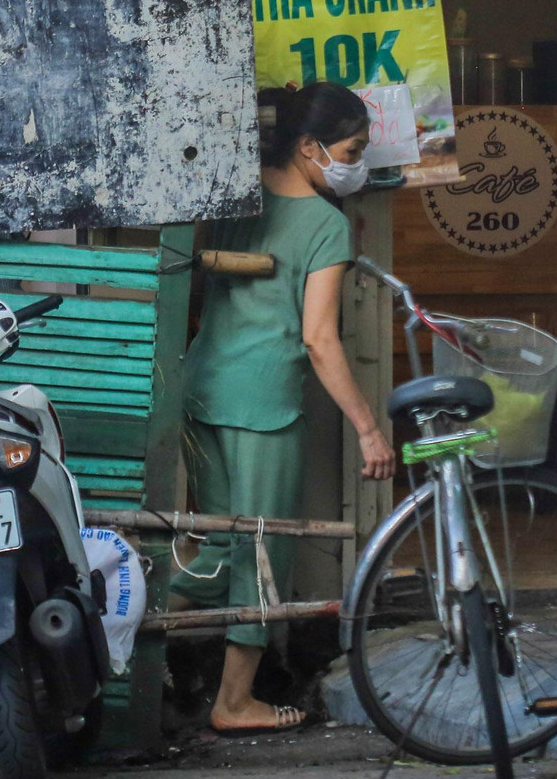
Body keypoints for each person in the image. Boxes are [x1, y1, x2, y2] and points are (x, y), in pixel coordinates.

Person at [168, 82, 397, 736]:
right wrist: (369, 428)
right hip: (263, 405)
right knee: (263, 557)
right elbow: (320, 339)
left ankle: (123, 640)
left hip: (202, 387)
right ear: (308, 145)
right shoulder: (325, 225)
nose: (355, 164)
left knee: (210, 546)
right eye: (350, 150)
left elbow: (200, 292)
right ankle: (233, 701)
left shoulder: (236, 193)